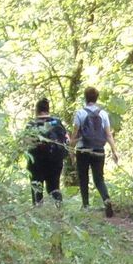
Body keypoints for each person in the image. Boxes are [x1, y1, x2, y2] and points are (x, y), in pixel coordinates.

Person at [72, 87, 114, 215]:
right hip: (99, 150)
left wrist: (70, 149)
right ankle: (106, 199)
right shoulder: (103, 114)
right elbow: (108, 135)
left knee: (83, 177)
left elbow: (75, 135)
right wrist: (114, 150)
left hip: (83, 150)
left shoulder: (80, 113)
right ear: (96, 98)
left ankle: (85, 206)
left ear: (85, 98)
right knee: (99, 178)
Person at [27, 98, 67, 204]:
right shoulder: (57, 123)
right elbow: (66, 140)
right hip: (55, 161)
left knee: (36, 188)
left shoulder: (31, 125)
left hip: (36, 163)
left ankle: (38, 212)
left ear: (37, 110)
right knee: (54, 188)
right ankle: (59, 212)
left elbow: (26, 143)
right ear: (48, 109)